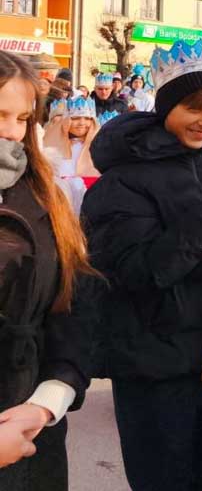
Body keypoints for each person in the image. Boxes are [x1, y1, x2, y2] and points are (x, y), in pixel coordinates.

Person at [81, 40, 202, 491]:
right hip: (154, 367)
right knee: (166, 478)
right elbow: (135, 271)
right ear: (166, 106)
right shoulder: (122, 183)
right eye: (193, 107)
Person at [0, 51, 95, 489]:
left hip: (34, 431)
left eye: (21, 118)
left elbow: (71, 305)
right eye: (0, 115)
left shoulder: (44, 197)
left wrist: (50, 399)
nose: (11, 132)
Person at [41, 96, 100, 215]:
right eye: (76, 118)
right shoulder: (50, 146)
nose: (82, 123)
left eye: (87, 118)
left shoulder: (100, 148)